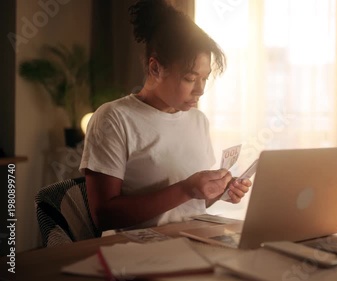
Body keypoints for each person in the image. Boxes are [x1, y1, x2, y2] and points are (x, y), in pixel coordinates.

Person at [79, 0, 251, 231]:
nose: (200, 90)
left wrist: (218, 192)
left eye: (205, 78)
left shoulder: (197, 120)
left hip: (193, 239)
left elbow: (189, 204)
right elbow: (104, 217)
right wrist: (186, 188)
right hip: (136, 251)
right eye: (190, 78)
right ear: (155, 68)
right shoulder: (114, 118)